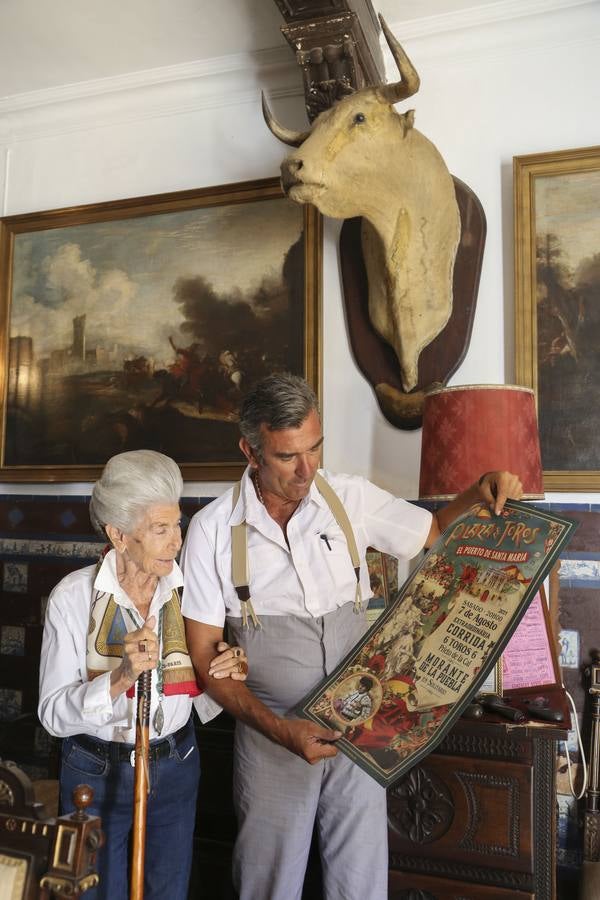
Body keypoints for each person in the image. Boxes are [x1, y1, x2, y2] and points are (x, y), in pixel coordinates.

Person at [180, 373, 523, 900]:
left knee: (359, 878)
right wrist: (278, 729)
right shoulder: (211, 531)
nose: (307, 468)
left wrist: (478, 491)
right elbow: (204, 658)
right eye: (288, 456)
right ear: (250, 450)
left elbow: (433, 536)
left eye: (315, 448)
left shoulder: (349, 498)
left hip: (362, 721)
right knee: (268, 881)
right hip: (273, 730)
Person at [38, 450, 248, 900]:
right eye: (160, 529)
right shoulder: (72, 598)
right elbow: (53, 715)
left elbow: (201, 681)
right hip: (94, 774)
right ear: (118, 534)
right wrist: (119, 677)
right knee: (97, 892)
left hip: (176, 764)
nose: (176, 541)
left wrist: (225, 665)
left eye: (177, 525)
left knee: (167, 891)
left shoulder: (188, 587)